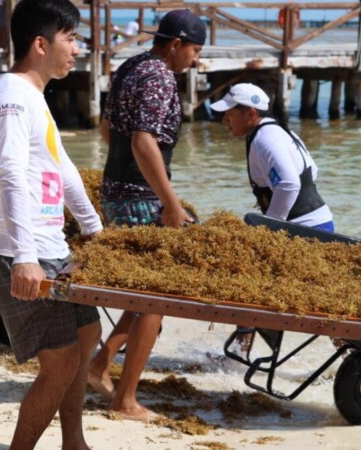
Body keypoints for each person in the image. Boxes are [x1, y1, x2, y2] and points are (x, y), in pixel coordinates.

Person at [0, 1, 103, 448]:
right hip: (20, 250)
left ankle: (73, 441)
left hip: (54, 247)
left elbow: (63, 169)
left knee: (88, 334)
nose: (77, 48)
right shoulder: (10, 97)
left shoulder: (34, 94)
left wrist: (95, 232)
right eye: (70, 38)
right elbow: (9, 172)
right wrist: (25, 257)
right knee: (61, 363)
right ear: (39, 43)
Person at [86, 9, 205, 421]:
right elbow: (142, 140)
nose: (195, 59)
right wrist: (169, 202)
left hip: (116, 189)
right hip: (139, 196)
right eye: (193, 50)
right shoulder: (159, 75)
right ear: (175, 44)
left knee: (140, 294)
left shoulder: (130, 65)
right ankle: (126, 400)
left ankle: (99, 366)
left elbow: (107, 129)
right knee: (158, 296)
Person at [211, 83, 334, 231]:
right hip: (320, 221)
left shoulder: (265, 140)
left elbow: (289, 184)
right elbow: (312, 170)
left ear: (251, 113)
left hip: (306, 229)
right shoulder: (277, 130)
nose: (224, 120)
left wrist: (270, 229)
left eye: (229, 115)